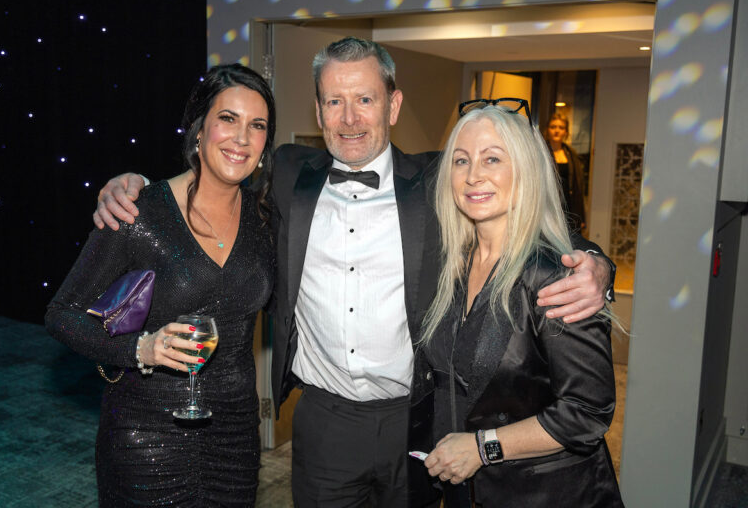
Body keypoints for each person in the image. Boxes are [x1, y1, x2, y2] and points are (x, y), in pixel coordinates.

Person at [92, 38, 614, 507]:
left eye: (365, 99)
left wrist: (595, 264)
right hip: (324, 419)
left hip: (414, 414)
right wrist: (139, 186)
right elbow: (217, 175)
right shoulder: (289, 173)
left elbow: (518, 208)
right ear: (318, 111)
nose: (350, 118)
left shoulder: (441, 178)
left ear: (393, 103)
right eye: (334, 102)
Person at [45, 63, 276, 506]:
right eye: (227, 119)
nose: (242, 138)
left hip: (235, 435)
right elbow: (61, 314)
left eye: (257, 125)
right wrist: (139, 350)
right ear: (198, 130)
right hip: (145, 435)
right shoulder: (139, 212)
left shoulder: (266, 219)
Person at [417, 101, 623, 507]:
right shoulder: (451, 266)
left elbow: (587, 413)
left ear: (525, 171)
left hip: (547, 495)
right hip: (466, 491)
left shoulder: (558, 277)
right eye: (461, 161)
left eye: (492, 158)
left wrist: (482, 448)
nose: (473, 175)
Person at [544, 112, 586, 231]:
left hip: (569, 205)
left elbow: (578, 187)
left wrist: (581, 216)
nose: (557, 130)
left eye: (561, 127)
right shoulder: (541, 152)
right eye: (553, 127)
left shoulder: (571, 154)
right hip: (548, 204)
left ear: (566, 132)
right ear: (548, 130)